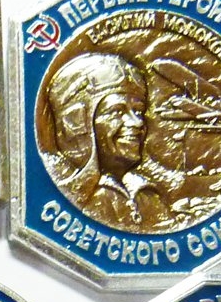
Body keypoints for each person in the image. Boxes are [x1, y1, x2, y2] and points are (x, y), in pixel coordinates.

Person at [45, 52, 171, 230]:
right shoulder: (68, 196)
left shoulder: (148, 197)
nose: (138, 122)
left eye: (138, 111)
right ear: (80, 122)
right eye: (117, 111)